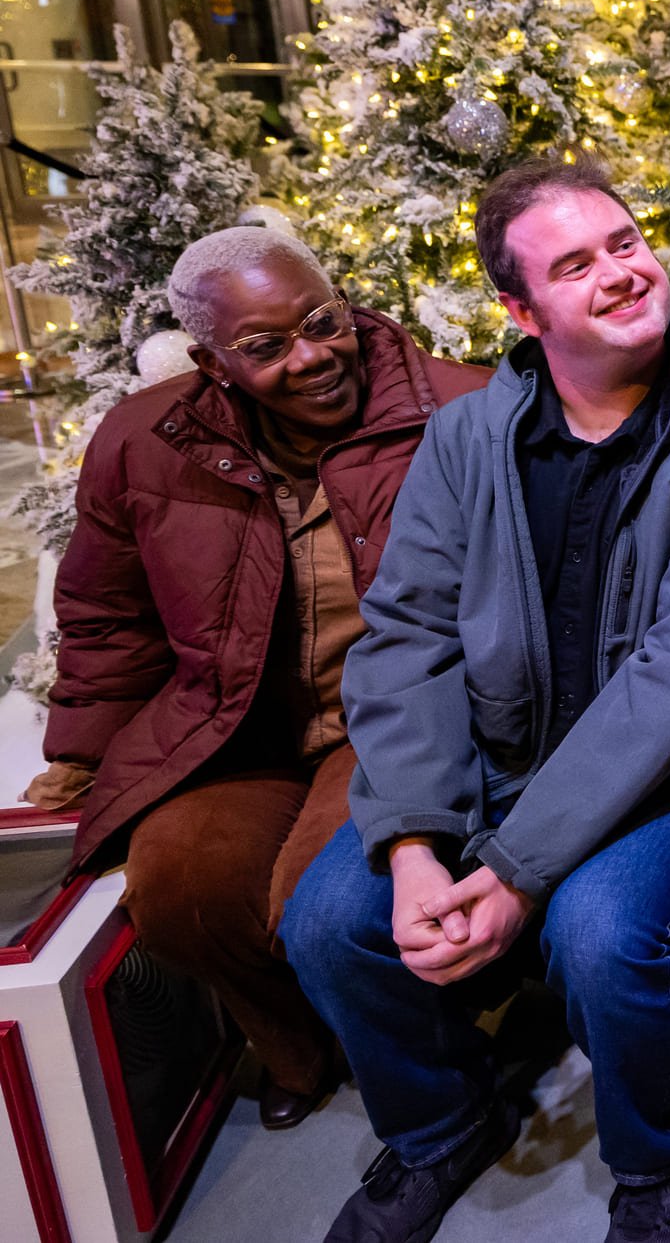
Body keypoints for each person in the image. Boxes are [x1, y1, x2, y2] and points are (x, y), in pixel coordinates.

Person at [279, 157, 670, 1243]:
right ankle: (439, 1126)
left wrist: (515, 874)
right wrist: (417, 840)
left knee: (603, 930)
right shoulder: (470, 437)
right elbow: (409, 636)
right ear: (521, 311)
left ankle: (660, 1161)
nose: (621, 273)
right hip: (500, 751)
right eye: (576, 265)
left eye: (624, 242)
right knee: (329, 922)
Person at [21, 226, 486, 1130]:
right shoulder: (141, 440)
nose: (313, 356)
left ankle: (423, 1053)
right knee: (181, 889)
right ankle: (300, 1049)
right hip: (235, 719)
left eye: (323, 320)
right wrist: (79, 757)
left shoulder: (462, 410)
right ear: (210, 360)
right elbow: (108, 615)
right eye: (268, 346)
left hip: (395, 717)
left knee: (321, 898)